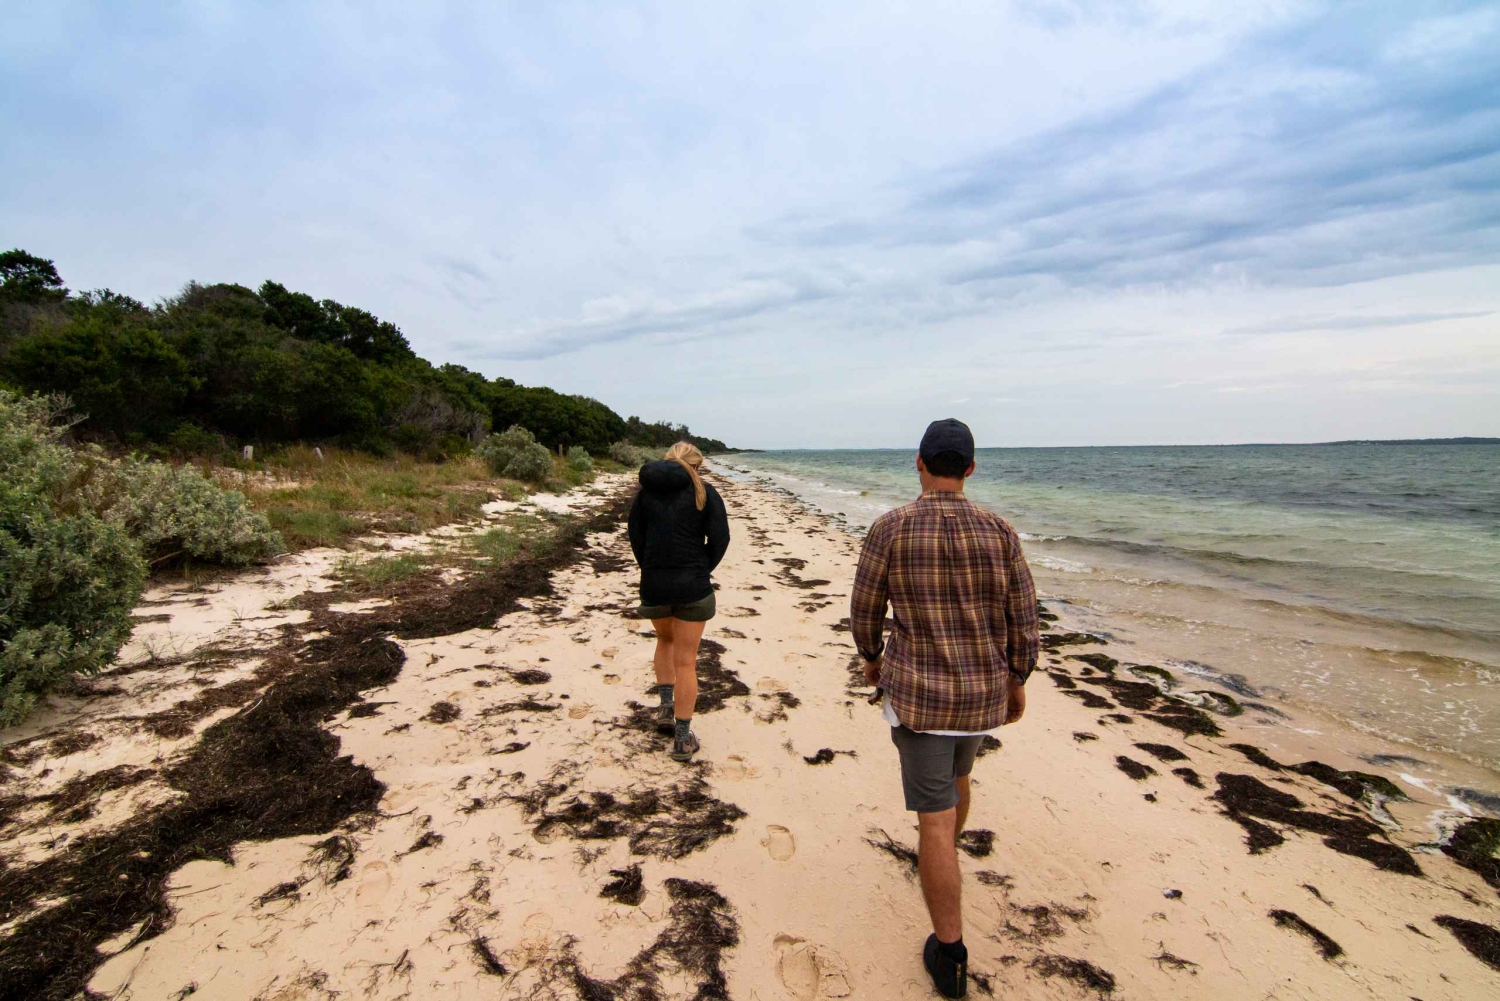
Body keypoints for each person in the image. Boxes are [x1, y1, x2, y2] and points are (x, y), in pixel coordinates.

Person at [849, 419, 1039, 1000]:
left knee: (934, 817)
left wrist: (872, 658)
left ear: (920, 462)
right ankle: (944, 864)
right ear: (972, 468)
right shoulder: (999, 530)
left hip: (923, 696)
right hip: (981, 696)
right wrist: (1018, 678)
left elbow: (864, 607)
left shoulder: (892, 527)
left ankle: (950, 953)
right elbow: (1024, 614)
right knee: (960, 780)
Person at [627, 441, 731, 762]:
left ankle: (665, 710)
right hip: (692, 586)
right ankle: (682, 741)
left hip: (655, 584)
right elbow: (721, 538)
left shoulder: (645, 493)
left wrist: (651, 569)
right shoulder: (704, 491)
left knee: (664, 640)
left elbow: (635, 535)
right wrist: (701, 568)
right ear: (696, 465)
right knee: (686, 661)